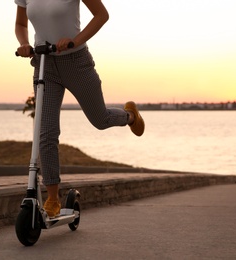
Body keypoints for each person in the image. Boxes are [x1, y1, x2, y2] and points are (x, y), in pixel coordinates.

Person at [14, 0, 145, 218]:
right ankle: (52, 198)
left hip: (76, 61)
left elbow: (101, 15)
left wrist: (75, 40)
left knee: (100, 119)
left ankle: (130, 116)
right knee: (45, 133)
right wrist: (24, 43)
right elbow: (20, 24)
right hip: (44, 63)